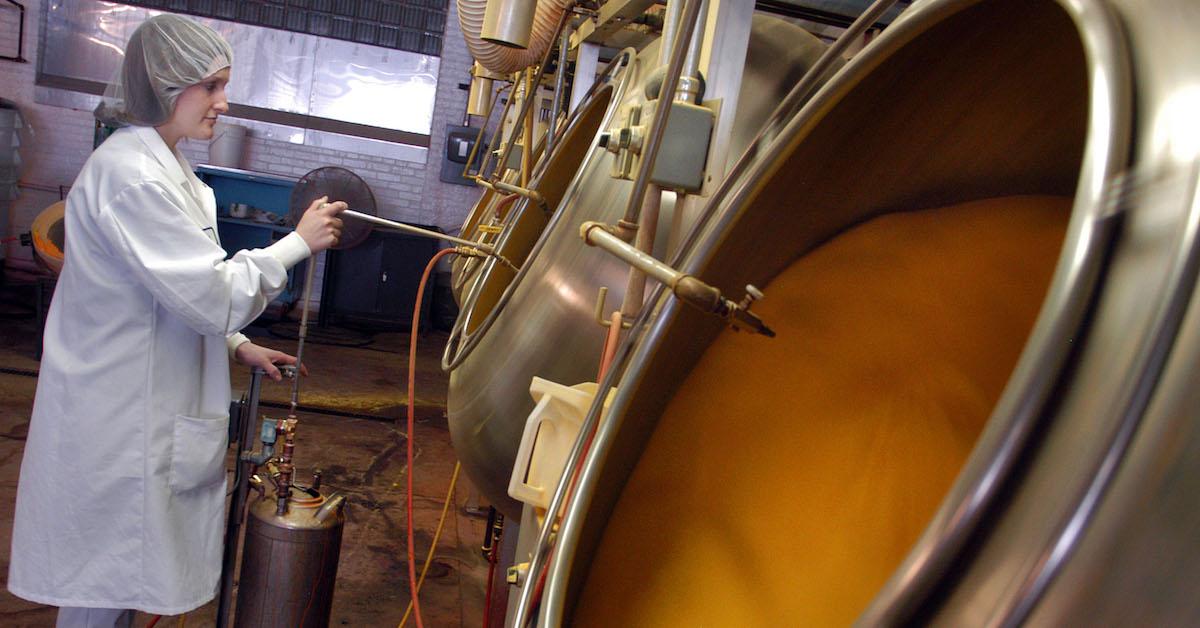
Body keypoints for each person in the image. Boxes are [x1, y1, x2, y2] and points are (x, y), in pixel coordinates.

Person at [7, 15, 346, 627]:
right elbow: (212, 293)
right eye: (210, 86)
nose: (222, 102)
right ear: (165, 85)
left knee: (117, 577)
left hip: (147, 403)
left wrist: (238, 344)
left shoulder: (173, 172)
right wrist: (295, 244)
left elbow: (178, 288)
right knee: (100, 581)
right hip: (119, 415)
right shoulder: (133, 176)